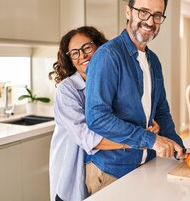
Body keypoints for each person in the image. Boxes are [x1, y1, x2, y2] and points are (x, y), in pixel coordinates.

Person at [85, 0, 190, 194]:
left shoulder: (153, 60)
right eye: (143, 12)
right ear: (128, 12)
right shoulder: (108, 56)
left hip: (145, 166)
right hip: (111, 171)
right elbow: (97, 117)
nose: (149, 21)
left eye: (157, 15)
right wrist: (151, 139)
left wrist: (178, 148)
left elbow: (161, 111)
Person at [48, 26, 160, 201]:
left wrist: (150, 124)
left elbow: (125, 114)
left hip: (110, 164)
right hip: (73, 166)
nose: (82, 56)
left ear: (99, 47)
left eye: (87, 48)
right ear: (69, 59)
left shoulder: (111, 77)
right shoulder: (67, 90)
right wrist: (139, 140)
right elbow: (87, 136)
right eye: (75, 53)